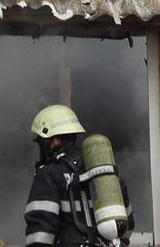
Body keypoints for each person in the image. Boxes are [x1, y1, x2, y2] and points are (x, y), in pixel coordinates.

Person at [24, 104, 134, 247]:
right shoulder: (103, 172)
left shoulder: (49, 174)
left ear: (55, 141)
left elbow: (40, 233)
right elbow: (127, 228)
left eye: (42, 142)